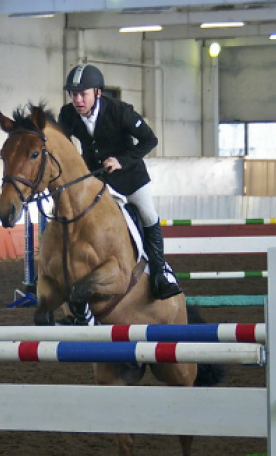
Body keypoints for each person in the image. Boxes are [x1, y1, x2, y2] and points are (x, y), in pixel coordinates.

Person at [58, 63, 182, 300]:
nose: (77, 100)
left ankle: (160, 273)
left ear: (97, 92)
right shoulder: (67, 114)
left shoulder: (120, 111)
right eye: (74, 94)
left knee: (148, 215)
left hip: (131, 178)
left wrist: (122, 160)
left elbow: (150, 140)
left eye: (83, 94)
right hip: (98, 181)